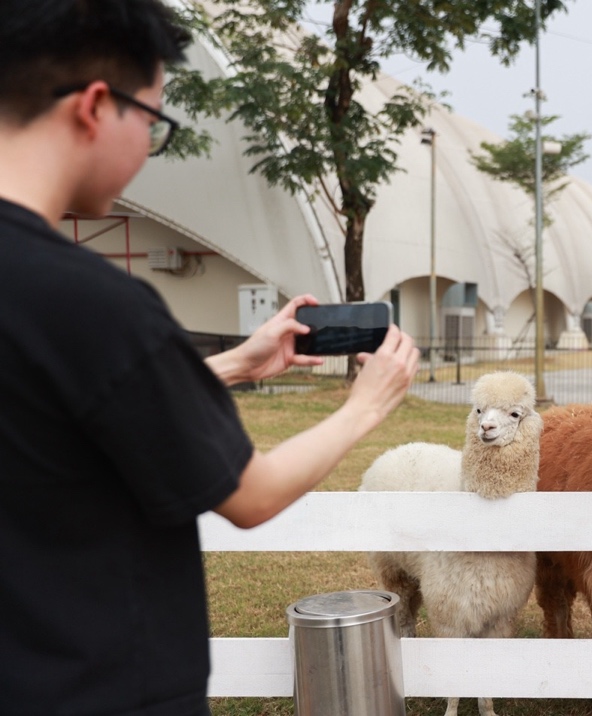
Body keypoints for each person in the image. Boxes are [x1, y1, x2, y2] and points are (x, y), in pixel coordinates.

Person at [0, 1, 420, 714]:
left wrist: (235, 365)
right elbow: (250, 495)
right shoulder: (95, 303)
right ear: (97, 106)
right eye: (154, 122)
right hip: (100, 686)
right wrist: (366, 404)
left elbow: (60, 410)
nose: (148, 149)